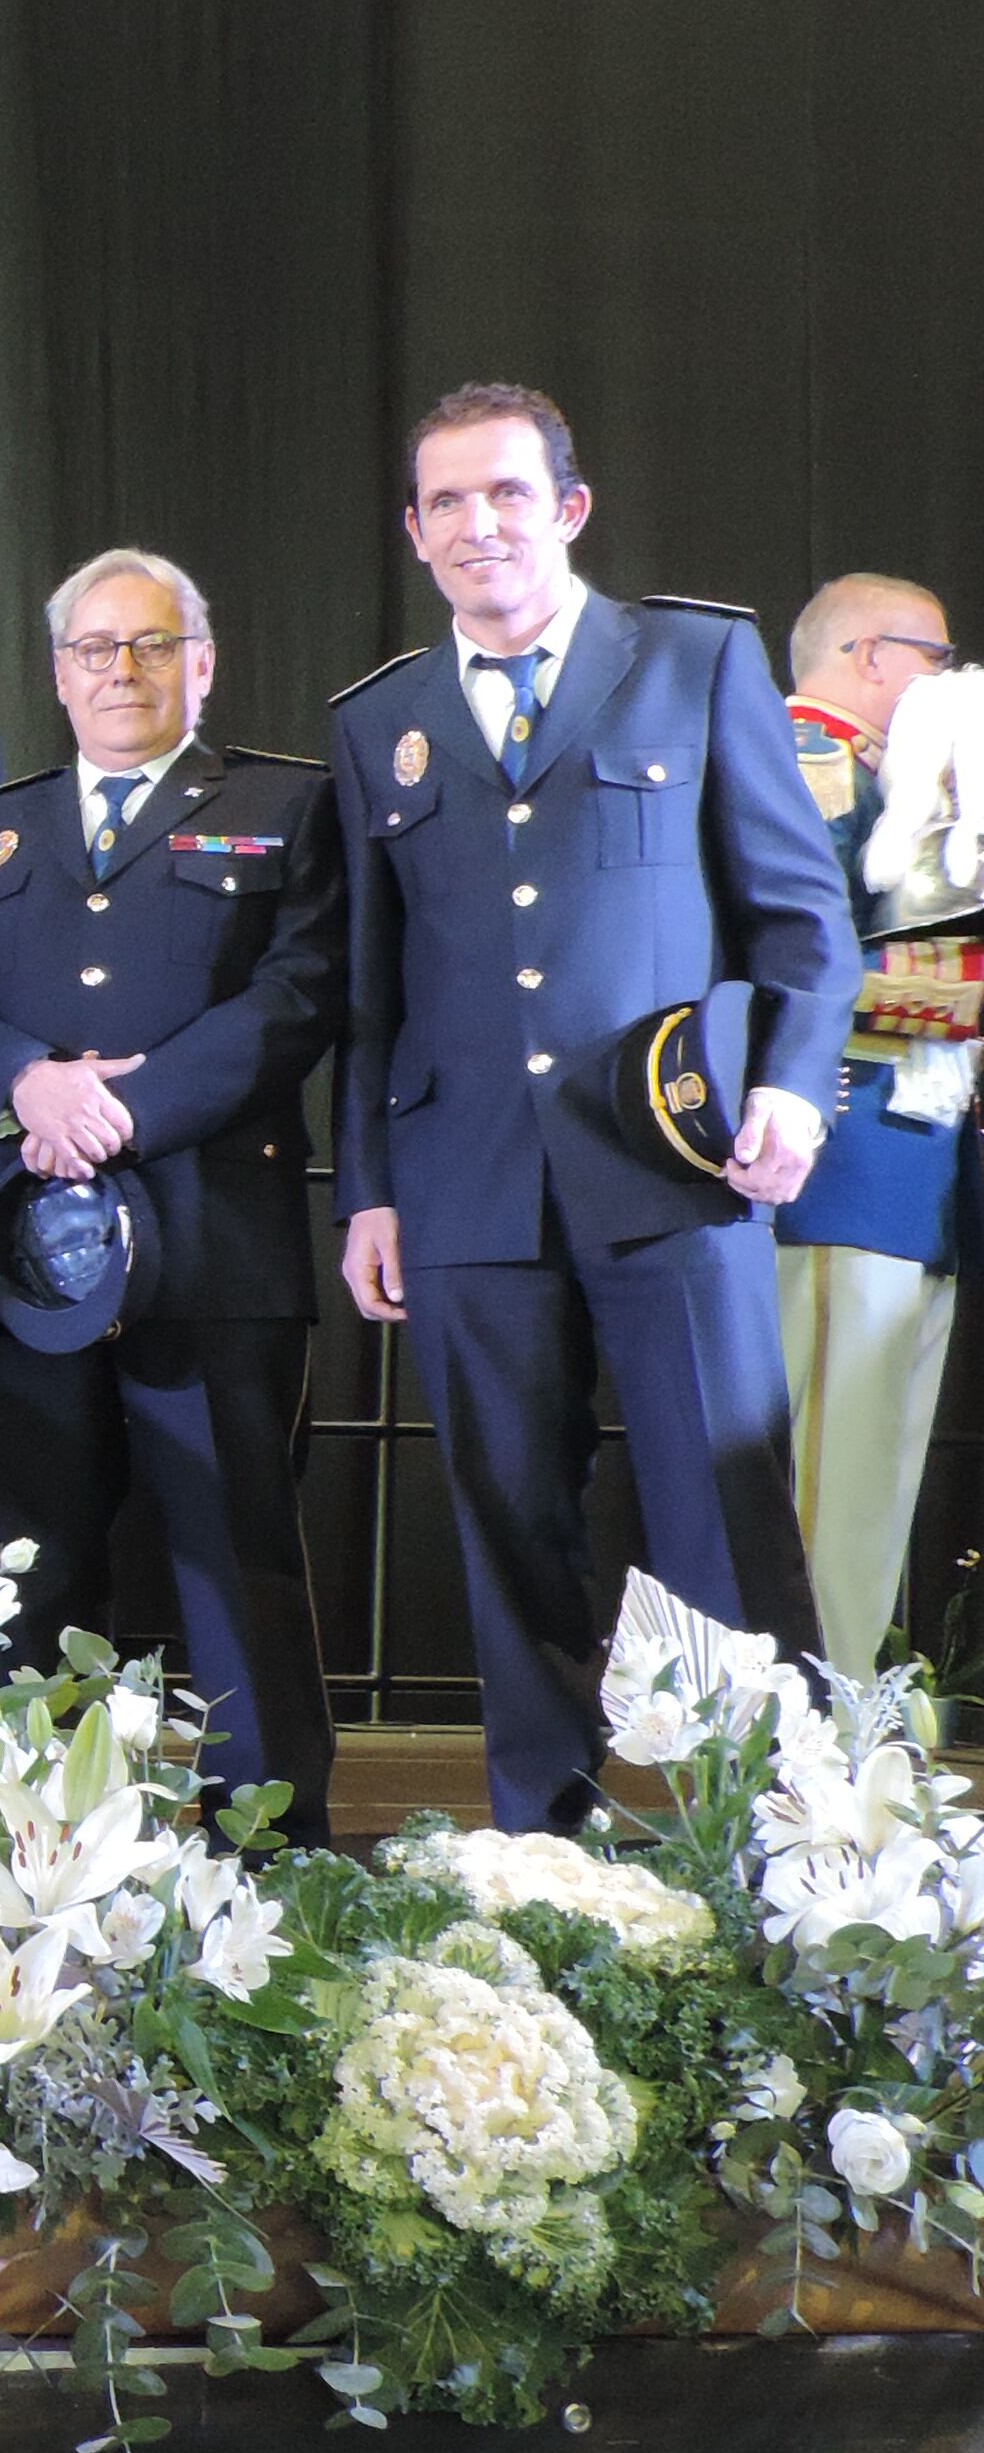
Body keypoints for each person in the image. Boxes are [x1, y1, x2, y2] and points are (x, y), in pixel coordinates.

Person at [332, 383, 856, 1830]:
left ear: (568, 509)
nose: (477, 522)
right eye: (447, 501)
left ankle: (776, 1865)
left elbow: (806, 917)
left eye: (506, 493)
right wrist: (366, 1187)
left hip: (675, 1167)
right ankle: (537, 1862)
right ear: (415, 534)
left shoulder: (692, 660)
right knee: (510, 1544)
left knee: (726, 1531)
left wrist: (798, 1098)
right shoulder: (382, 722)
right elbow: (373, 998)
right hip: (464, 1189)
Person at [0, 548, 344, 1839]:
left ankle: (266, 1846)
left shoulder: (282, 806)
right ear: (58, 671)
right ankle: (39, 1844)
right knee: (35, 1566)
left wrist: (123, 1110)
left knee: (236, 1562)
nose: (123, 670)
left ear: (201, 664)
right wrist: (25, 1085)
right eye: (96, 648)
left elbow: (298, 994)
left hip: (213, 1252)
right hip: (29, 1255)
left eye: (152, 645)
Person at [769, 571, 969, 1669]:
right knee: (829, 1494)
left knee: (865, 1492)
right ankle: (794, 1767)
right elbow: (801, 972)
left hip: (903, 1178)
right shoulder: (814, 765)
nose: (951, 681)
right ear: (870, 656)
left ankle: (827, 1750)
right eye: (937, 658)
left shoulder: (893, 780)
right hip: (846, 1165)